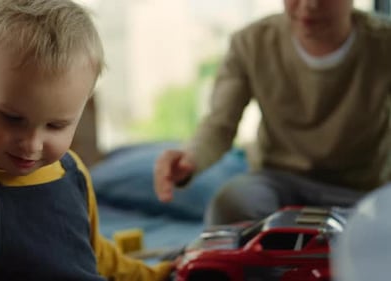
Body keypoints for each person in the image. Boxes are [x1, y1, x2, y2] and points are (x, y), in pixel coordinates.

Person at [0, 0, 172, 280]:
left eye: (56, 125)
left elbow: (96, 254)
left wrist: (160, 273)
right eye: (12, 118)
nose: (31, 144)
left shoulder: (73, 173)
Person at [154, 0, 391, 225]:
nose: (309, 5)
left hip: (362, 189)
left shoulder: (383, 43)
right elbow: (219, 124)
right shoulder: (251, 43)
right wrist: (189, 159)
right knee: (231, 204)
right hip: (278, 183)